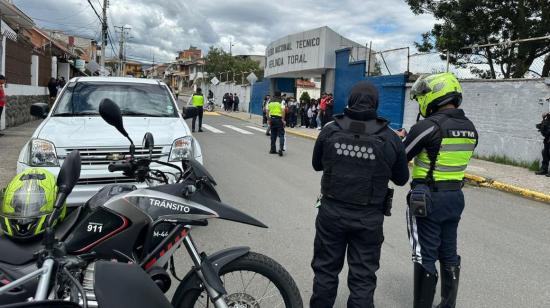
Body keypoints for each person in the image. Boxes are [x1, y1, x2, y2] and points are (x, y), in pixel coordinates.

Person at [310, 81, 409, 308]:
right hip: (368, 218)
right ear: (375, 103)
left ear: (350, 101)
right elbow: (402, 178)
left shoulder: (330, 129)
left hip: (331, 214)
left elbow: (317, 164)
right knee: (363, 278)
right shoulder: (390, 137)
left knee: (325, 272)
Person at [400, 72, 478, 308]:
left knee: (424, 254)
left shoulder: (427, 126)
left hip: (427, 199)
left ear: (435, 94)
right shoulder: (470, 128)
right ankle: (447, 304)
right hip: (455, 197)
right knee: (449, 251)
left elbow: (401, 157)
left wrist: (401, 139)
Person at [267, 91, 285, 156]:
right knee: (281, 135)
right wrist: (283, 120)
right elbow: (283, 111)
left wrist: (268, 119)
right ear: (280, 95)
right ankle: (280, 149)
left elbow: (267, 111)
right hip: (279, 119)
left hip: (272, 119)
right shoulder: (281, 101)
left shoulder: (269, 101)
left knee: (273, 135)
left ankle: (272, 149)